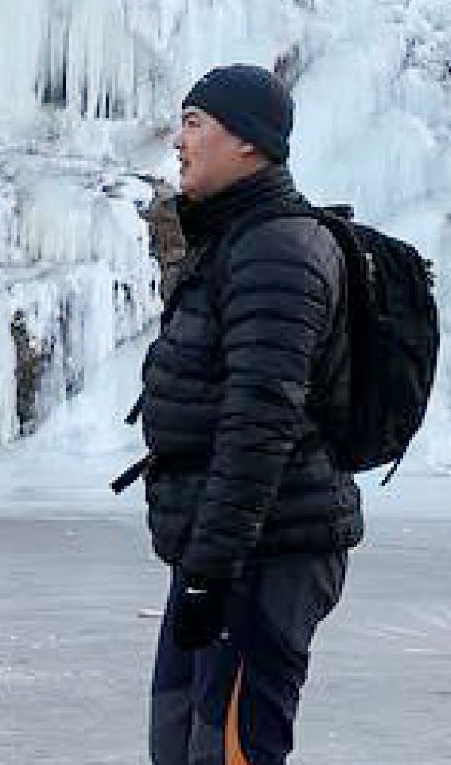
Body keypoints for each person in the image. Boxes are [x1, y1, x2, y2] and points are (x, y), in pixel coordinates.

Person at [137, 63, 362, 765]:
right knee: (179, 743)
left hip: (266, 550)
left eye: (195, 123)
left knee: (230, 751)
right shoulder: (235, 241)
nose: (179, 141)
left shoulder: (277, 252)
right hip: (225, 546)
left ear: (248, 142)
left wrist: (209, 569)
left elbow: (260, 425)